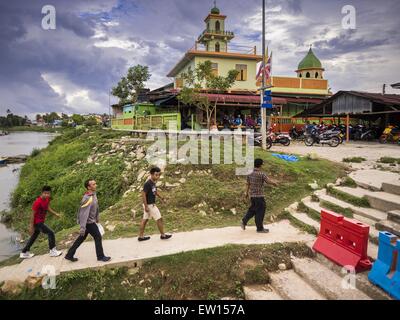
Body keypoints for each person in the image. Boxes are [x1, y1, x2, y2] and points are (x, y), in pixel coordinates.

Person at [65, 179, 111, 263]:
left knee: (81, 238)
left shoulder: (93, 195)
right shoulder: (87, 198)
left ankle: (69, 254)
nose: (96, 185)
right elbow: (83, 214)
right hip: (88, 223)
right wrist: (83, 227)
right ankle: (100, 256)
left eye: (95, 184)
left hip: (91, 221)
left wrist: (97, 218)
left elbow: (96, 208)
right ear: (88, 187)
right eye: (93, 184)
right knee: (98, 237)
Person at [20, 186, 63, 259]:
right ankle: (52, 251)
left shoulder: (47, 199)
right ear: (42, 193)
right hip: (37, 222)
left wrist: (55, 214)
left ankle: (24, 252)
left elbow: (47, 207)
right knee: (51, 233)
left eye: (48, 193)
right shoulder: (37, 202)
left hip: (40, 221)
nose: (47, 195)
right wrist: (31, 226)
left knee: (34, 236)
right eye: (45, 193)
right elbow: (32, 214)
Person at [241, 159, 277, 233]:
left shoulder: (250, 173)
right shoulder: (261, 174)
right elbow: (268, 181)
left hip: (252, 196)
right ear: (260, 165)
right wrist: (274, 183)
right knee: (260, 211)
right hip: (259, 196)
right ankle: (260, 228)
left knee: (253, 210)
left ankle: (244, 221)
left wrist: (246, 193)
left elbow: (247, 184)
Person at [138, 167, 172, 242]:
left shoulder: (153, 183)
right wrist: (146, 206)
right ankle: (163, 235)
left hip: (150, 205)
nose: (158, 176)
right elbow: (143, 194)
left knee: (145, 220)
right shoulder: (148, 184)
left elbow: (155, 191)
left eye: (159, 175)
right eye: (156, 175)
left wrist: (162, 198)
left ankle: (140, 236)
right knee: (159, 219)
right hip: (150, 205)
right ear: (151, 174)